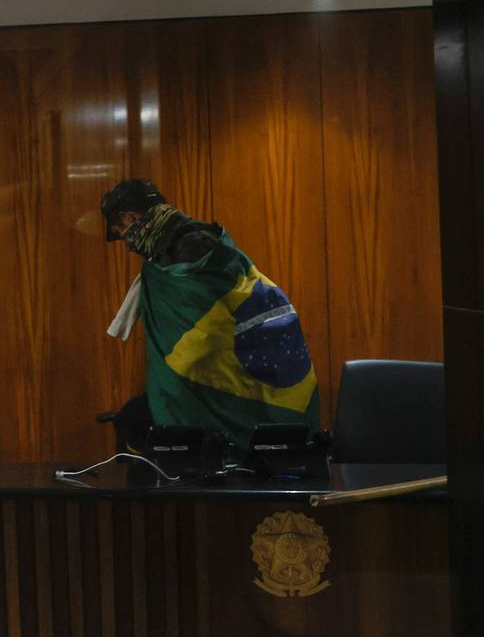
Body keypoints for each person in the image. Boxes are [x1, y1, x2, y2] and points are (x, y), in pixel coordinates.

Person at [100, 178, 320, 451]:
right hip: (216, 366)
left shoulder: (192, 246)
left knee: (152, 425)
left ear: (129, 217)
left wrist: (178, 372)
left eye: (121, 232)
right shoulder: (179, 243)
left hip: (228, 371)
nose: (127, 244)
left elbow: (210, 325)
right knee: (135, 418)